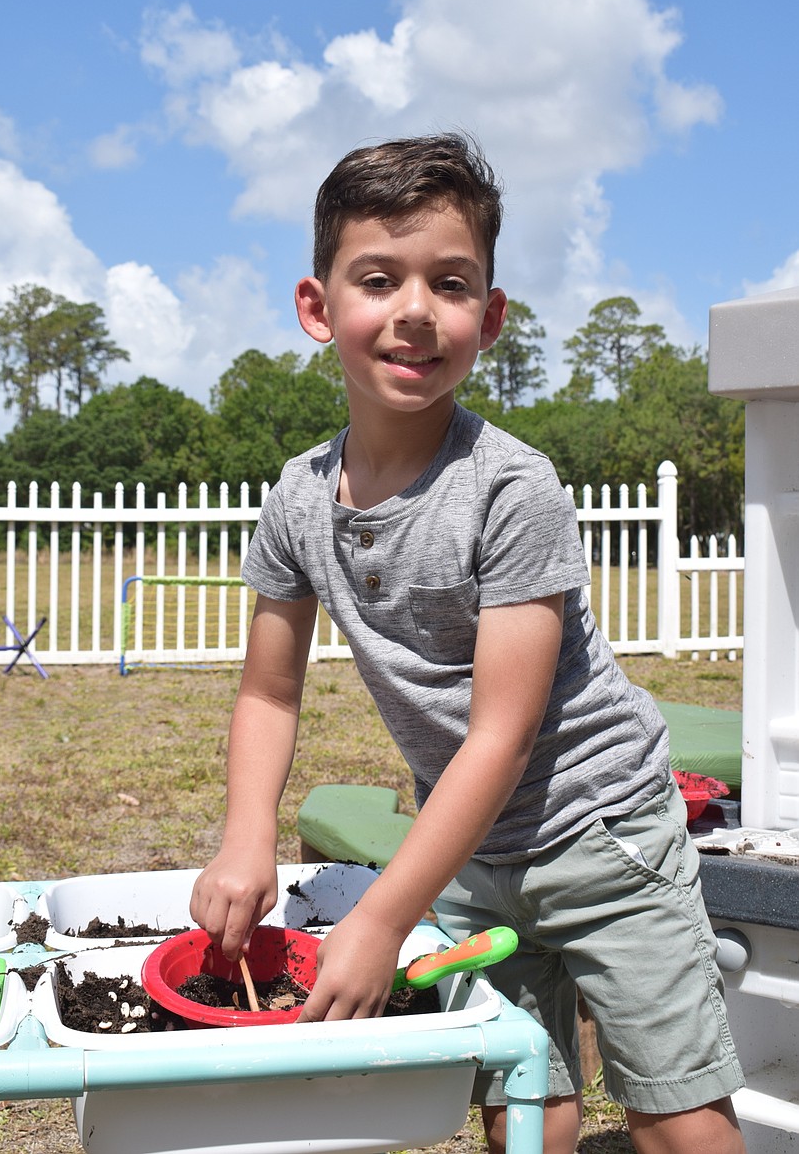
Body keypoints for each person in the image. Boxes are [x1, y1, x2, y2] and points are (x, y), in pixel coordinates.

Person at [190, 132, 747, 1154]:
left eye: (449, 283)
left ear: (486, 319)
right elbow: (269, 695)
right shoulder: (297, 498)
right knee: (520, 1097)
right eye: (376, 278)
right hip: (469, 853)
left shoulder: (509, 488)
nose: (413, 309)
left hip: (603, 833)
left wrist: (380, 918)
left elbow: (502, 733)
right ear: (318, 309)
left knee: (673, 1108)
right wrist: (243, 836)